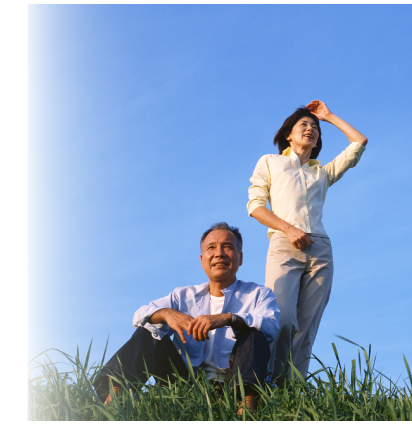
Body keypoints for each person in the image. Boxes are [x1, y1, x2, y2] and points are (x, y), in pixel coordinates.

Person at [93, 222, 279, 413]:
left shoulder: (258, 294)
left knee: (254, 331)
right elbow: (139, 315)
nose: (219, 254)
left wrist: (229, 318)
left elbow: (271, 325)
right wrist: (165, 314)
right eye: (211, 248)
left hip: (232, 383)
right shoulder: (182, 296)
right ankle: (115, 397)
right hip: (183, 384)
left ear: (240, 258)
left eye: (228, 247)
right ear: (202, 260)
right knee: (149, 330)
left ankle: (246, 405)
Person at [247, 100, 367, 380]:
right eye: (304, 125)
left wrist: (328, 116)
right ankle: (270, 381)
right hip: (284, 244)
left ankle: (293, 390)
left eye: (315, 128)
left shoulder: (322, 173)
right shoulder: (271, 162)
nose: (311, 129)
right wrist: (288, 229)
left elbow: (359, 142)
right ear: (288, 134)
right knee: (283, 318)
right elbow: (255, 206)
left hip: (320, 248)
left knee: (308, 325)